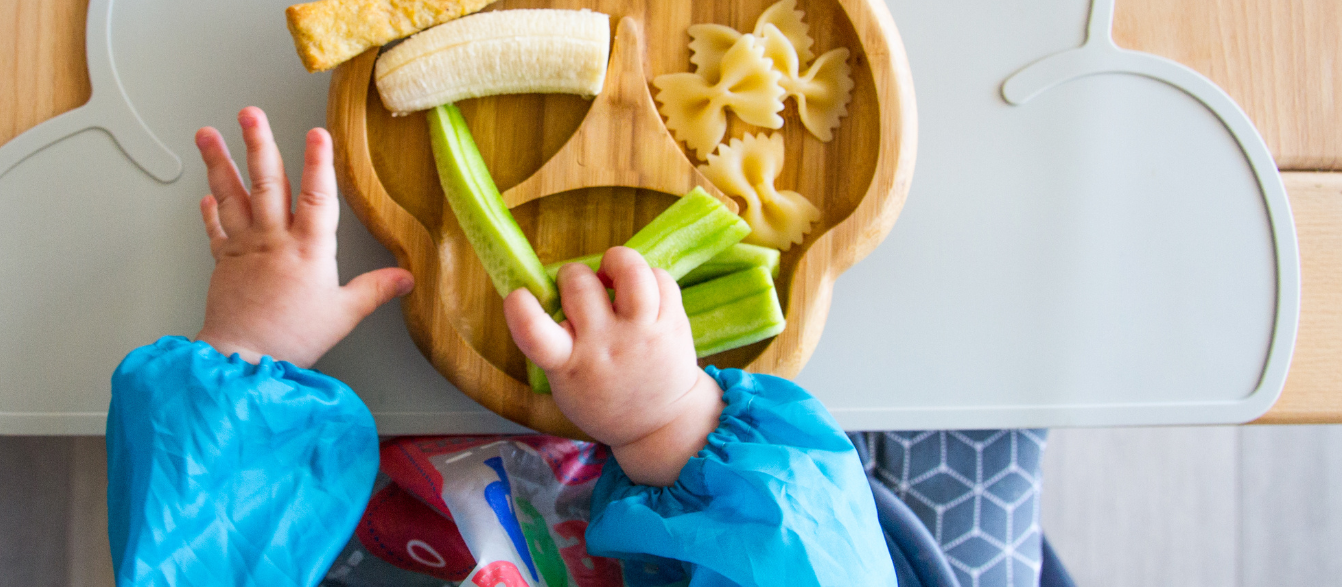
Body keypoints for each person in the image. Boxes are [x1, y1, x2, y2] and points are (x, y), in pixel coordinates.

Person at [106, 108, 897, 586]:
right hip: (692, 504)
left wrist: (248, 348)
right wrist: (669, 420)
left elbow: (194, 554)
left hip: (335, 501)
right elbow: (806, 558)